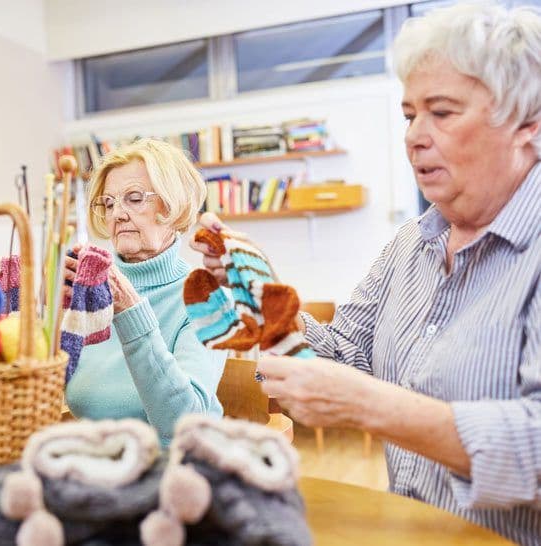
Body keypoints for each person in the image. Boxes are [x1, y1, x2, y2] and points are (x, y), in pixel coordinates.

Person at [192, 3, 540, 543]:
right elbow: (344, 352)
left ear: (526, 125)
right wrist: (258, 295)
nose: (414, 136)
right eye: (408, 115)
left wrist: (370, 405)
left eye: (442, 113)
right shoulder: (410, 243)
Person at [65, 138, 225, 446]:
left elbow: (183, 423)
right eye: (109, 203)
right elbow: (51, 391)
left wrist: (130, 311)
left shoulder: (208, 297)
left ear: (173, 205)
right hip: (97, 460)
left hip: (176, 468)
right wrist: (52, 317)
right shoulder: (90, 289)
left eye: (134, 198)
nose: (117, 215)